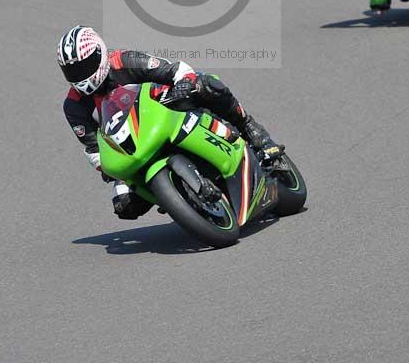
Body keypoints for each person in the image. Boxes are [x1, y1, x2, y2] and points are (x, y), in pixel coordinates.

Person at [57, 26, 283, 220]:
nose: (81, 75)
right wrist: (105, 167)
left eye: (85, 66)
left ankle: (250, 128)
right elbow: (93, 148)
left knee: (207, 85)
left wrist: (184, 84)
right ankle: (176, 197)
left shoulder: (124, 61)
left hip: (168, 111)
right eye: (73, 70)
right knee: (125, 206)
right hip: (133, 146)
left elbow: (175, 69)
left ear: (101, 53)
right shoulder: (74, 106)